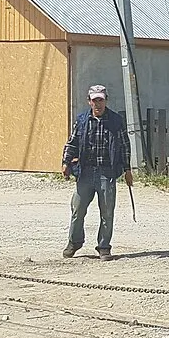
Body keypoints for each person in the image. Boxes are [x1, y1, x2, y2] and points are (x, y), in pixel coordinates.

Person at [61, 84, 132, 259]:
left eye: (101, 100)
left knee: (107, 211)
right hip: (85, 171)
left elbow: (124, 146)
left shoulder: (116, 121)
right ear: (89, 102)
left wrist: (127, 169)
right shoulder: (82, 120)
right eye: (94, 101)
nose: (98, 104)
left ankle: (104, 246)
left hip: (107, 172)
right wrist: (65, 163)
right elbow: (72, 142)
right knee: (77, 209)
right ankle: (74, 241)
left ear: (106, 100)